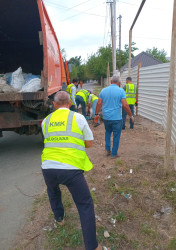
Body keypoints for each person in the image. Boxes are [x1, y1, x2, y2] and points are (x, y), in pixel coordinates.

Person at [41, 91, 106, 250]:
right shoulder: (78, 117)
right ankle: (92, 246)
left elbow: (49, 140)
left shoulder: (45, 121)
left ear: (54, 105)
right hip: (70, 169)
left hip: (48, 167)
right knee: (85, 204)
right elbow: (89, 143)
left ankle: (59, 218)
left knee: (53, 191)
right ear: (70, 104)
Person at [95, 75, 134, 158]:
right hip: (117, 118)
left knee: (108, 132)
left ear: (110, 82)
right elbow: (125, 105)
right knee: (116, 135)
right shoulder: (121, 91)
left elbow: (99, 103)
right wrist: (131, 115)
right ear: (119, 83)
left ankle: (107, 150)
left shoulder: (103, 90)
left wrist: (96, 114)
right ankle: (114, 154)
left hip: (106, 118)